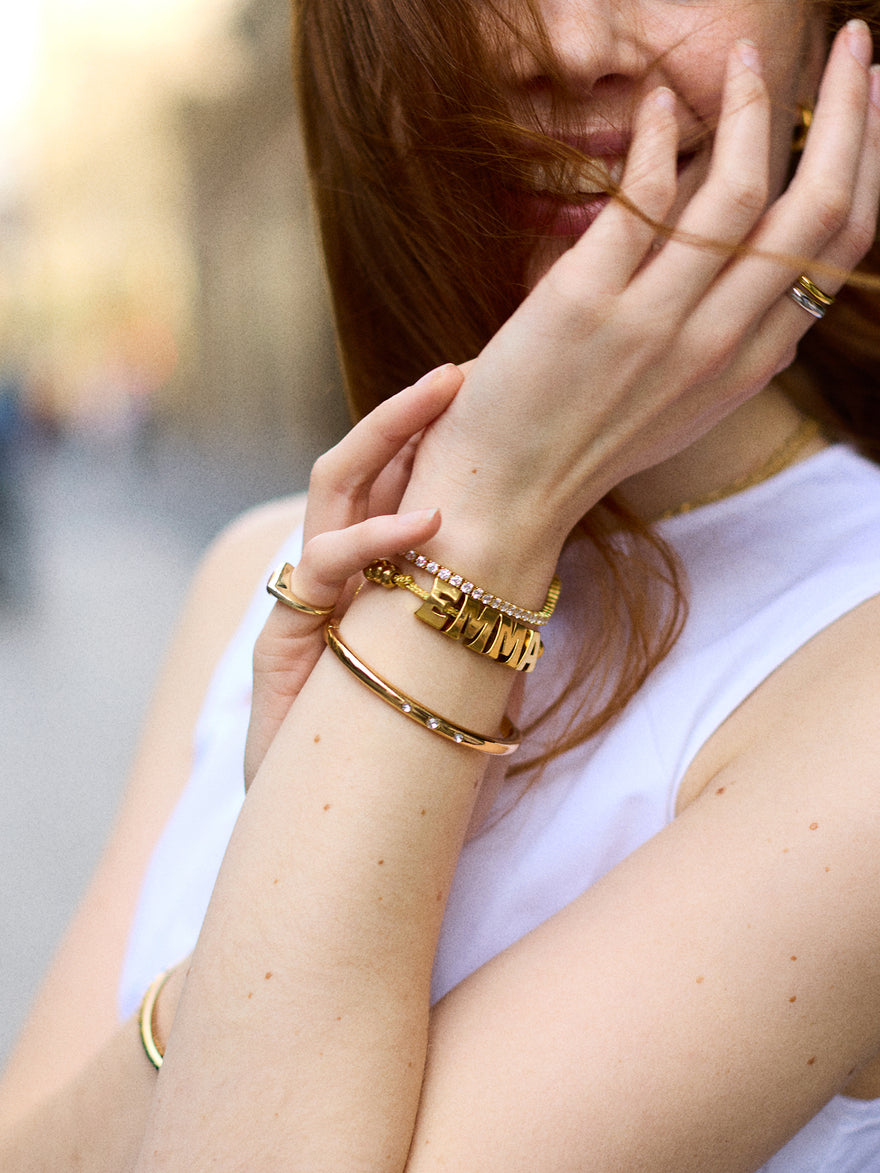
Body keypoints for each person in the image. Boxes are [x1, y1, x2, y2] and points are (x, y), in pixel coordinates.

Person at [1, 0, 880, 1168]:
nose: (570, 46)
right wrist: (291, 864)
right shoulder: (255, 577)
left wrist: (489, 516)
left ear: (827, 36)